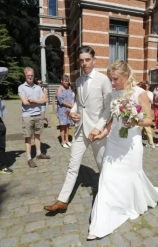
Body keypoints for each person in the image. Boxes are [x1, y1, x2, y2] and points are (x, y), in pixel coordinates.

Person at [86, 60, 158, 240]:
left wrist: (135, 121)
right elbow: (109, 117)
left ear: (125, 76)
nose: (112, 82)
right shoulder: (113, 93)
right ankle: (101, 221)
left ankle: (127, 205)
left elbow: (150, 120)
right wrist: (100, 132)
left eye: (115, 79)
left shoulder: (140, 94)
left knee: (129, 177)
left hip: (131, 145)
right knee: (107, 178)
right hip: (114, 143)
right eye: (111, 79)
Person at [44, 45, 112, 212]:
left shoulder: (104, 80)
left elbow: (108, 108)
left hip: (97, 133)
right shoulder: (78, 80)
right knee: (73, 165)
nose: (84, 63)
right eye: (81, 60)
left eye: (87, 60)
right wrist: (73, 112)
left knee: (103, 166)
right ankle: (62, 200)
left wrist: (98, 128)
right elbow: (78, 104)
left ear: (94, 60)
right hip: (81, 130)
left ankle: (109, 198)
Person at [18, 67, 51, 168]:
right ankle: (29, 158)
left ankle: (38, 154)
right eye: (28, 75)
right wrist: (38, 101)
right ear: (25, 76)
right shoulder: (21, 87)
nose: (30, 77)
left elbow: (45, 100)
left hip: (38, 114)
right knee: (28, 137)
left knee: (37, 135)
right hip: (27, 116)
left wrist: (34, 101)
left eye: (31, 75)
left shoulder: (37, 87)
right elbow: (25, 102)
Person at [56, 74, 74, 148]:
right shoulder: (59, 89)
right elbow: (61, 101)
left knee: (68, 125)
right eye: (65, 81)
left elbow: (72, 98)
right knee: (63, 126)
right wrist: (70, 105)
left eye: (67, 81)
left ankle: (67, 140)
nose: (67, 82)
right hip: (62, 110)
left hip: (69, 110)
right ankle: (62, 141)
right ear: (62, 81)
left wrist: (72, 105)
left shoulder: (70, 89)